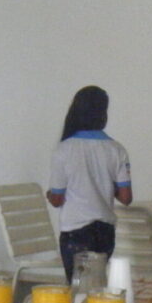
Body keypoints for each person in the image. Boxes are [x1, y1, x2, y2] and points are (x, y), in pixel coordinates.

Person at [46, 85, 132, 281]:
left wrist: (49, 194)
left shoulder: (64, 149)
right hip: (105, 230)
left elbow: (57, 200)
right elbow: (126, 198)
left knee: (78, 290)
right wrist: (105, 184)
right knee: (98, 286)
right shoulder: (116, 149)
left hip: (75, 230)